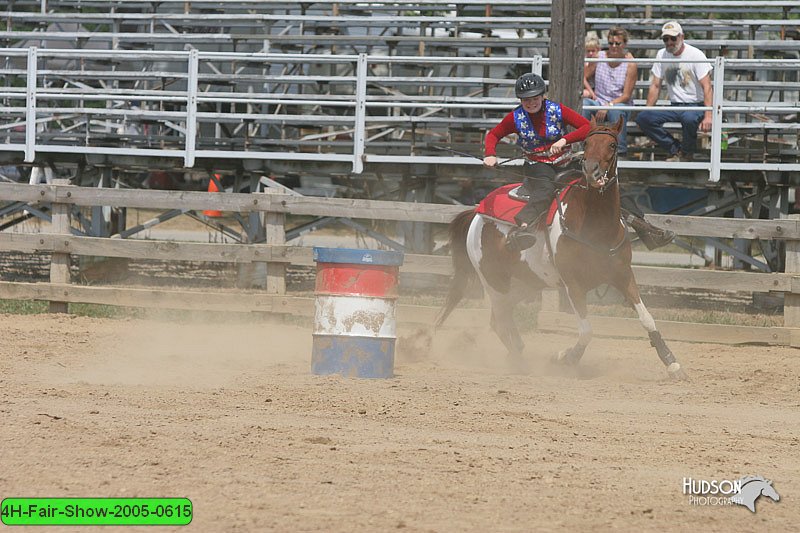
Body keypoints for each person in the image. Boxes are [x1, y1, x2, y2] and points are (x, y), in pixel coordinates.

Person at [483, 73, 675, 251]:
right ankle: (523, 228)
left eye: (535, 98)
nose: (531, 103)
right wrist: (490, 154)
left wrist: (564, 140)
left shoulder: (556, 110)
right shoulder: (515, 118)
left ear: (542, 96)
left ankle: (645, 229)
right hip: (538, 166)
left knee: (610, 186)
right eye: (526, 99)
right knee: (545, 189)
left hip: (566, 162)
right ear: (520, 100)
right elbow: (494, 134)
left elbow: (586, 127)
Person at [635, 21, 713, 162]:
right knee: (643, 118)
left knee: (688, 119)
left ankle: (686, 153)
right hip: (675, 105)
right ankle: (676, 149)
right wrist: (647, 109)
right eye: (666, 39)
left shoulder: (696, 55)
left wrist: (708, 115)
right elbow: (655, 85)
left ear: (682, 37)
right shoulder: (661, 55)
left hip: (696, 105)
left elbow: (707, 86)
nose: (669, 42)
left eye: (673, 38)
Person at [582, 26, 637, 155]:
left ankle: (620, 151)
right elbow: (583, 76)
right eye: (611, 43)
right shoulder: (599, 57)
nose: (614, 46)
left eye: (618, 43)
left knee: (615, 112)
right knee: (584, 105)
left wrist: (609, 105)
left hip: (619, 103)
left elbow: (626, 95)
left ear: (624, 44)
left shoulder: (630, 63)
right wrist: (591, 91)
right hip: (599, 101)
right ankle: (582, 146)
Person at [582, 35, 601, 99]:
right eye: (588, 51)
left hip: (600, 89)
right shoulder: (585, 61)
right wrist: (592, 93)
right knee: (585, 93)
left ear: (598, 50)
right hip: (589, 88)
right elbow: (583, 79)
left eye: (593, 51)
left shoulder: (602, 59)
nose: (590, 53)